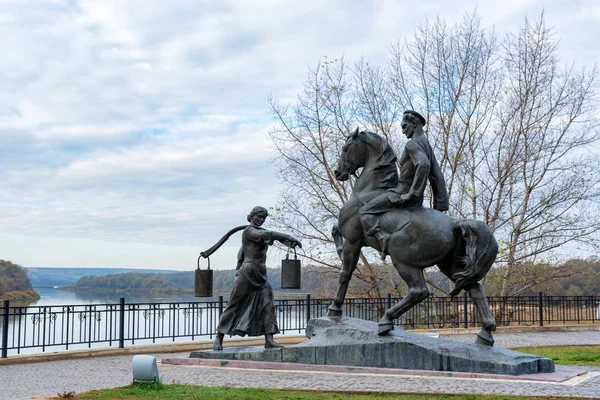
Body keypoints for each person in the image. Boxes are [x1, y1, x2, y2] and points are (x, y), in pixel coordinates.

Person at [359, 110, 449, 259]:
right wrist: (440, 205)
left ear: (414, 124)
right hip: (412, 196)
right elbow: (437, 175)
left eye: (404, 126)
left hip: (401, 192)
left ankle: (383, 238)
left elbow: (424, 165)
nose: (403, 131)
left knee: (364, 211)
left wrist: (412, 193)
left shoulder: (412, 144)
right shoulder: (425, 144)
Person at [213, 206, 302, 350]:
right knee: (234, 304)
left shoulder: (262, 232)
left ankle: (269, 339)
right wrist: (288, 236)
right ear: (252, 216)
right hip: (248, 273)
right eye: (259, 216)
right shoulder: (249, 231)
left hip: (262, 274)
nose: (261, 219)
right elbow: (262, 238)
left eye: (263, 218)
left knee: (269, 305)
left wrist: (288, 242)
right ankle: (218, 337)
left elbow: (266, 240)